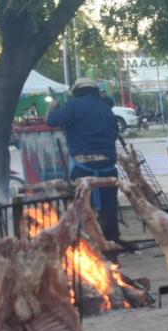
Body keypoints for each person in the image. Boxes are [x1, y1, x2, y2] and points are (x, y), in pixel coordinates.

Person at [47, 78, 122, 247]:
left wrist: (52, 108)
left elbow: (51, 121)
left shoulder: (73, 106)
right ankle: (112, 241)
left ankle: (82, 244)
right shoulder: (106, 107)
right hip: (108, 168)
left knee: (79, 209)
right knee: (109, 208)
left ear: (76, 92)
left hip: (83, 168)